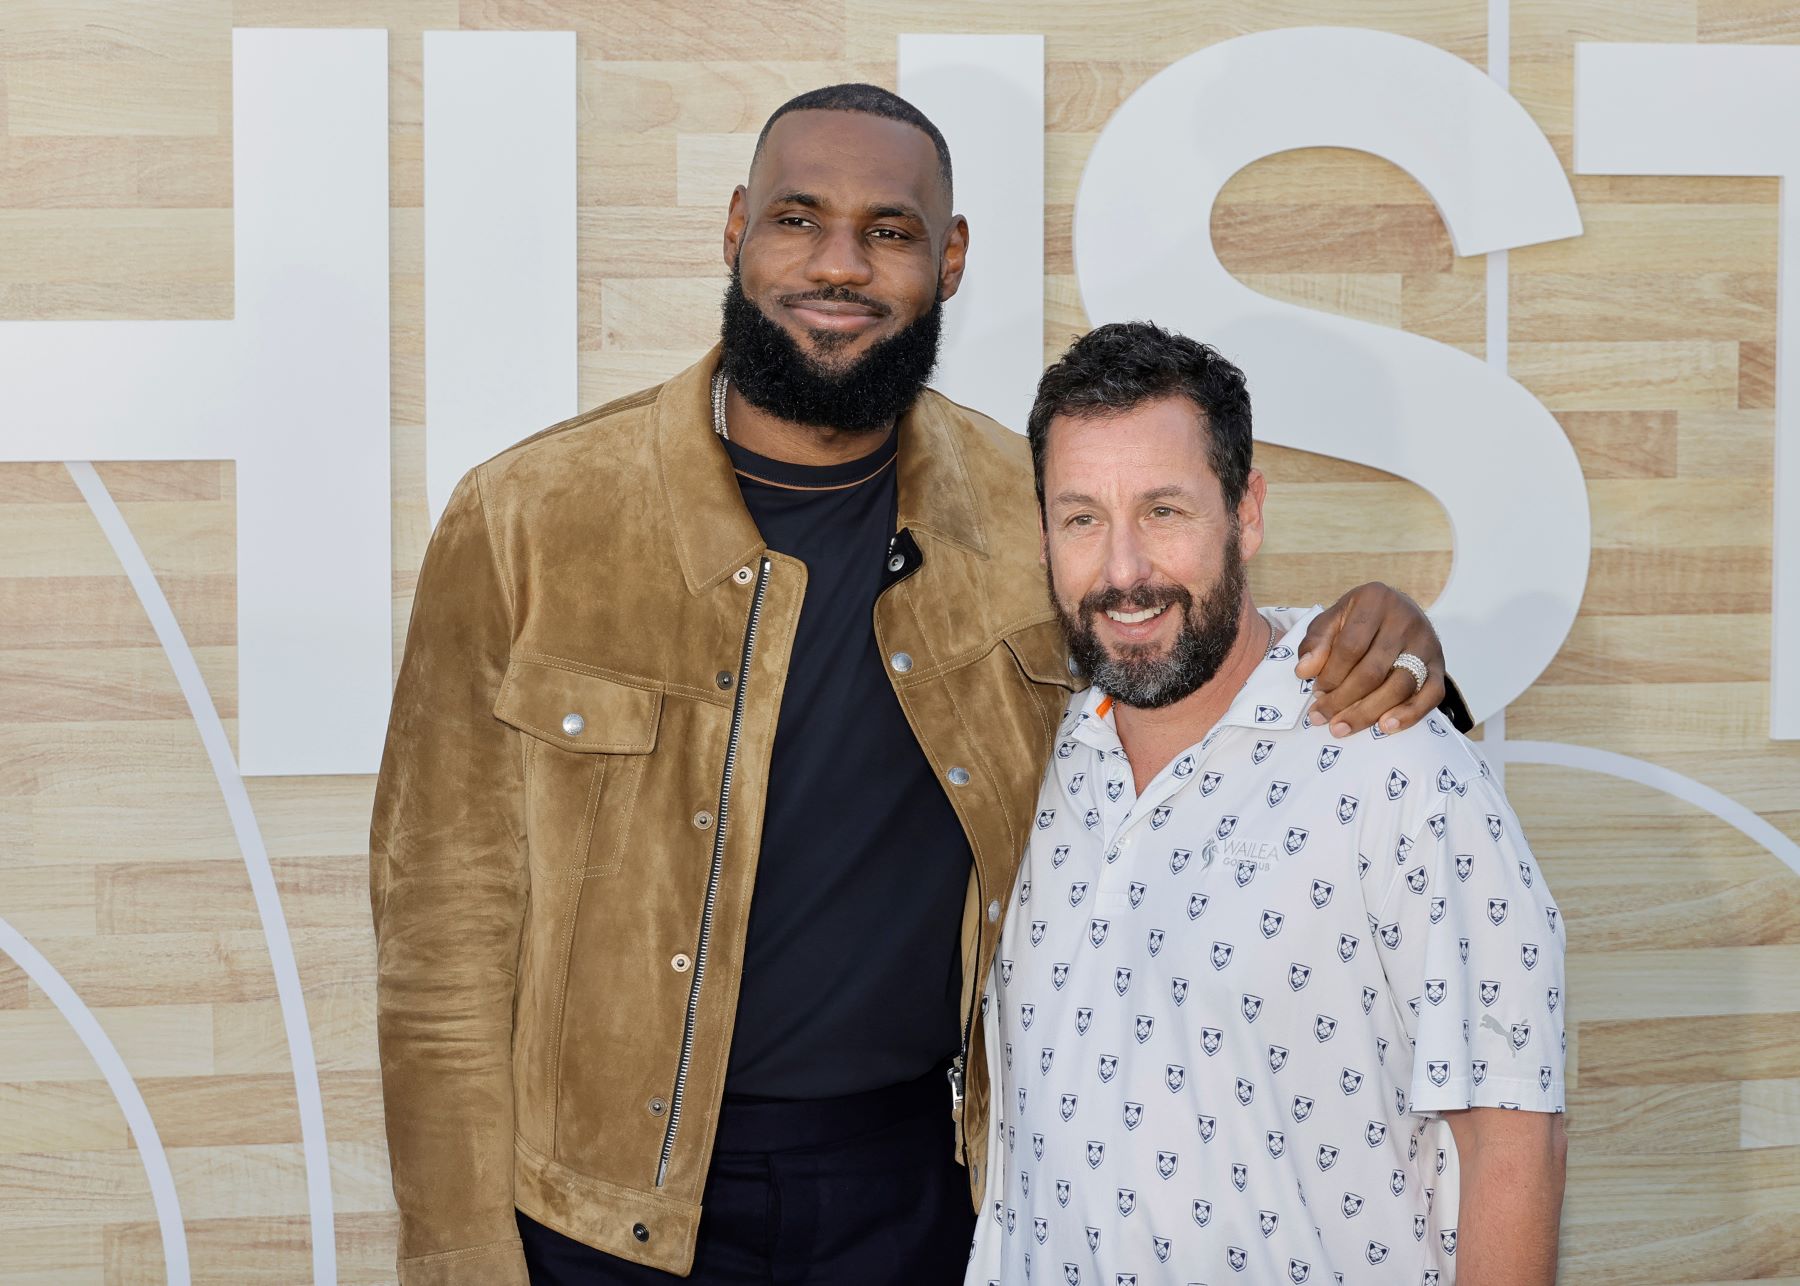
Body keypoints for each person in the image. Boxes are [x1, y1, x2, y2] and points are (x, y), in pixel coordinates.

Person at [369, 85, 1458, 1286]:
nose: (839, 264)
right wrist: (460, 1252)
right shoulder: (528, 519)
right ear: (736, 230)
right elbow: (442, 945)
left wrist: (1379, 639)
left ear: (948, 260)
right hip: (598, 1212)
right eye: (797, 218)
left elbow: (1184, 652)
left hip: (917, 1195)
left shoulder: (1025, 507)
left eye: (888, 231)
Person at [966, 322, 1567, 1286]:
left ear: (1246, 513)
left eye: (1163, 511)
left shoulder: (1394, 763)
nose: (1123, 572)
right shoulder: (1027, 757)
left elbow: (1513, 1141)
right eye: (1082, 518)